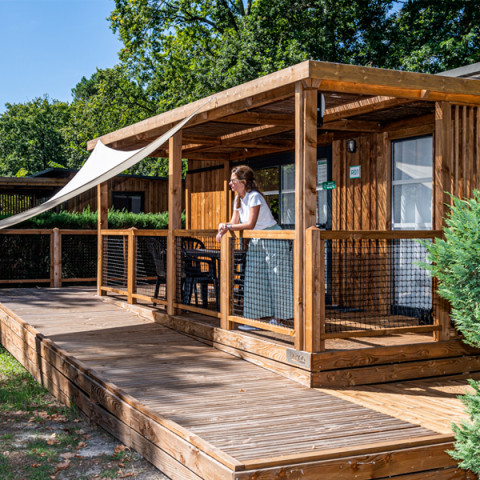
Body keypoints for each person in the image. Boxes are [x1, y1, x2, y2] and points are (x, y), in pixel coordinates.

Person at [216, 165, 293, 328]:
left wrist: (228, 227)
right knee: (253, 278)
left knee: (277, 278)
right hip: (256, 239)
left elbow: (249, 224)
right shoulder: (237, 199)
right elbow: (234, 222)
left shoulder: (254, 197)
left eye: (233, 181)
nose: (230, 184)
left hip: (273, 238)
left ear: (243, 182)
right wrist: (223, 227)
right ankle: (253, 319)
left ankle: (279, 319)